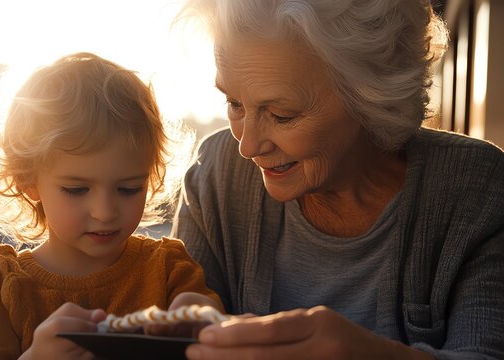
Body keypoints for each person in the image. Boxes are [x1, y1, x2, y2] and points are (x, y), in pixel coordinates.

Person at [172, 0, 504, 359]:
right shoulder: (216, 177)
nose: (247, 146)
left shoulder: (478, 188)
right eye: (235, 104)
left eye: (282, 115)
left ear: (369, 97)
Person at [0, 52, 223, 359]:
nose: (104, 212)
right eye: (76, 190)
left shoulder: (168, 270)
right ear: (28, 181)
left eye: (129, 189)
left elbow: (212, 324)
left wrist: (204, 319)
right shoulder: (1, 285)